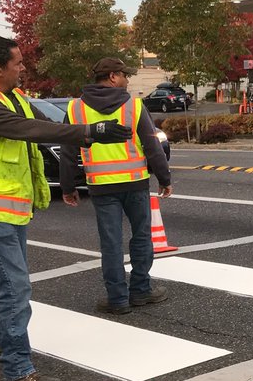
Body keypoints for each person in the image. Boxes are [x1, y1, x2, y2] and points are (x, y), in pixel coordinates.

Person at [0, 36, 133, 381]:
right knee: (16, 287)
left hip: (9, 208)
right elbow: (31, 130)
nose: (23, 67)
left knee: (5, 281)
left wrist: (92, 125)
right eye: (18, 62)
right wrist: (90, 133)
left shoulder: (15, 98)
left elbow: (50, 123)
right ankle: (18, 371)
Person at [61, 58, 172, 315]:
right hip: (134, 183)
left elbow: (68, 150)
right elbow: (152, 145)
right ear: (112, 76)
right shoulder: (133, 105)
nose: (127, 79)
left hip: (101, 187)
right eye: (124, 75)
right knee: (142, 236)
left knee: (110, 243)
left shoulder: (76, 108)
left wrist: (68, 186)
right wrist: (164, 178)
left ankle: (117, 298)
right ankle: (141, 290)